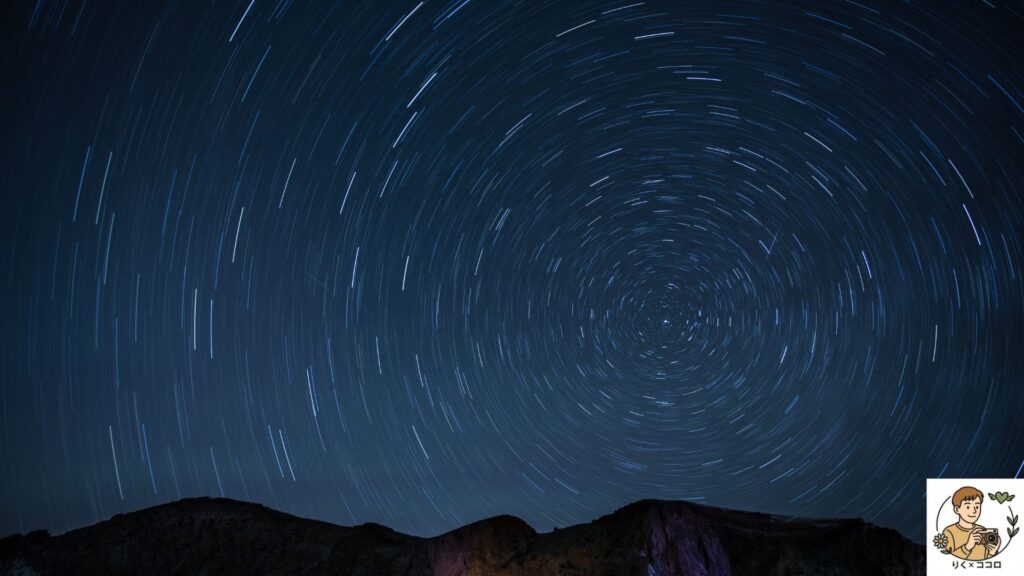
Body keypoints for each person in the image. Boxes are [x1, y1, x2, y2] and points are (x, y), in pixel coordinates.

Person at [943, 486, 1000, 560]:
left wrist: (992, 553)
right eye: (968, 507)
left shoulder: (982, 530)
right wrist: (968, 546)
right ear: (957, 509)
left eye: (977, 507)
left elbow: (985, 562)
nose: (974, 511)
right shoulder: (949, 532)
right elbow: (947, 561)